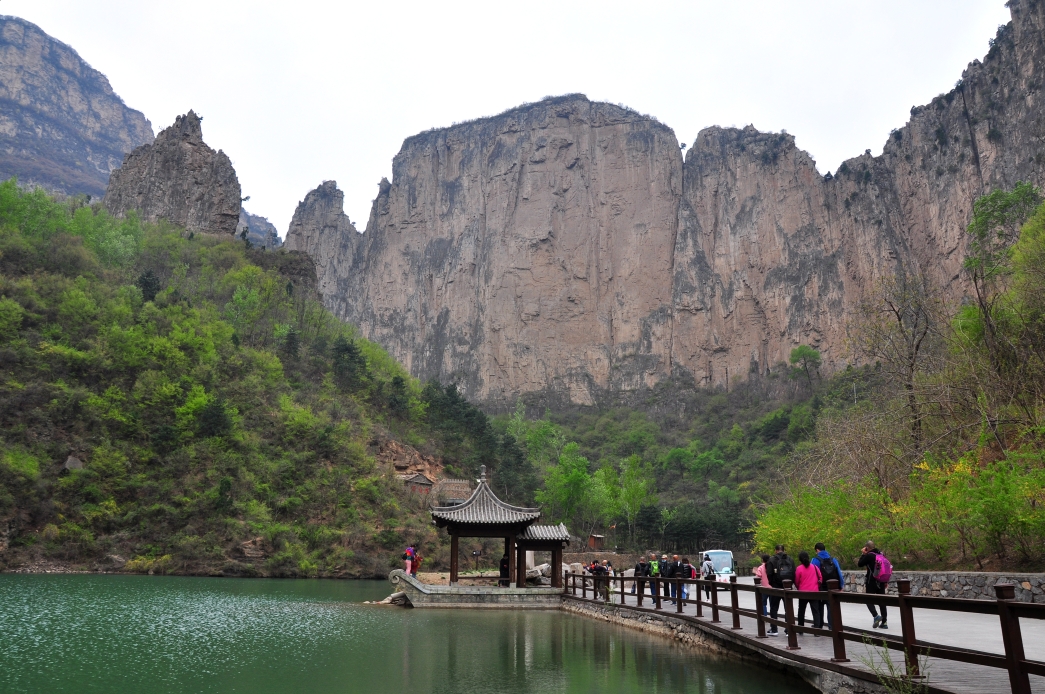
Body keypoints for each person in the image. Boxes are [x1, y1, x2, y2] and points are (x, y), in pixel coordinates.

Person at [810, 543, 844, 628]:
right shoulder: (833, 560)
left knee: (819, 606)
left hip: (821, 587)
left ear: (817, 550)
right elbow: (839, 573)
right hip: (832, 587)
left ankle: (819, 624)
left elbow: (813, 574)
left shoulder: (815, 560)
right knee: (831, 606)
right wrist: (841, 585)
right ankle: (831, 626)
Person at [858, 540, 889, 629]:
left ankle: (876, 616)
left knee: (868, 599)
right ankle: (884, 622)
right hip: (881, 581)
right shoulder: (881, 554)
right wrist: (885, 581)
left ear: (867, 548)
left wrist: (863, 554)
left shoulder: (869, 556)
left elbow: (860, 564)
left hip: (871, 581)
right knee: (882, 601)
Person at [766, 545, 795, 636]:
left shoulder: (772, 560)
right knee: (788, 608)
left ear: (776, 551)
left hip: (776, 587)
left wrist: (772, 584)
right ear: (784, 550)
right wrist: (790, 583)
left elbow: (769, 574)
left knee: (774, 608)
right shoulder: (790, 559)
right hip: (787, 587)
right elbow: (794, 572)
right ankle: (788, 630)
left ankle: (774, 629)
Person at [794, 551, 823, 632]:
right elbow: (820, 578)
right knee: (815, 611)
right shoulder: (815, 567)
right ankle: (817, 629)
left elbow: (796, 581)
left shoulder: (799, 568)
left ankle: (801, 628)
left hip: (803, 593)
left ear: (800, 559)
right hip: (814, 592)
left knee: (801, 610)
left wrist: (798, 587)